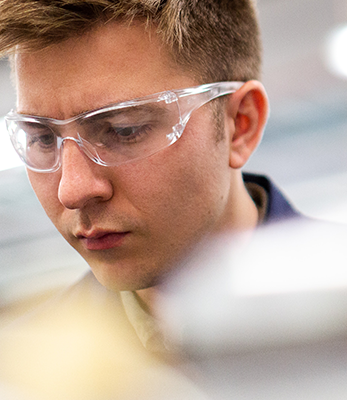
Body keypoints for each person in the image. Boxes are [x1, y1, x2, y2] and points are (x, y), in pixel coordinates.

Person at [0, 1, 298, 398]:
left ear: (240, 125)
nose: (71, 190)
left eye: (124, 130)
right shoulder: (23, 377)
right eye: (42, 138)